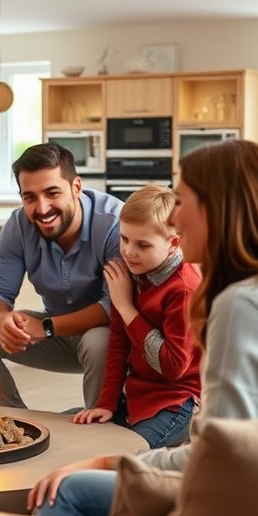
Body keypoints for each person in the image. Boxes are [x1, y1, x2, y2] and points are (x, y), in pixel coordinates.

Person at [28, 140, 258, 516]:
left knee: (66, 491)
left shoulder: (245, 303)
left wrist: (107, 461)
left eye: (181, 201)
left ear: (216, 212)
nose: (174, 217)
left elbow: (219, 456)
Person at [0, 142, 123, 409]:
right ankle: (15, 427)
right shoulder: (19, 225)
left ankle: (102, 430)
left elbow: (114, 307)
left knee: (98, 340)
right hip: (58, 336)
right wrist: (2, 319)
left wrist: (46, 327)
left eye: (52, 193)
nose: (42, 208)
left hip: (113, 341)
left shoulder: (114, 223)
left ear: (76, 187)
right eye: (30, 197)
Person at [71, 184, 201, 449]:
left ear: (173, 242)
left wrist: (125, 307)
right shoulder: (132, 273)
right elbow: (118, 342)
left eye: (142, 244)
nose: (129, 252)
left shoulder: (184, 289)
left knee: (122, 454)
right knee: (76, 433)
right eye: (124, 239)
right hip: (136, 399)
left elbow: (173, 367)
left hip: (177, 405)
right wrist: (106, 404)